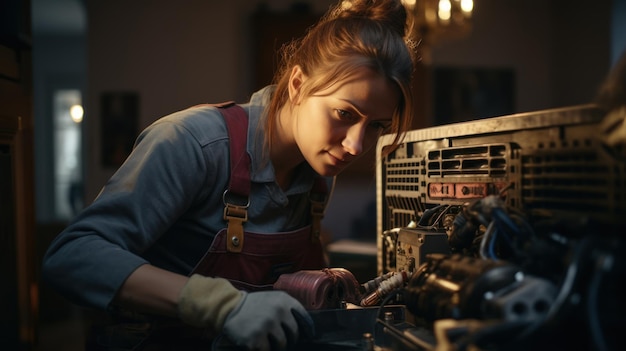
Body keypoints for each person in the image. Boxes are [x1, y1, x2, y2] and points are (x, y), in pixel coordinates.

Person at [42, 0, 417, 350]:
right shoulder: (195, 143)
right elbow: (72, 256)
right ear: (298, 85)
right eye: (345, 114)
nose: (355, 145)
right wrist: (222, 305)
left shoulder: (319, 175)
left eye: (376, 126)